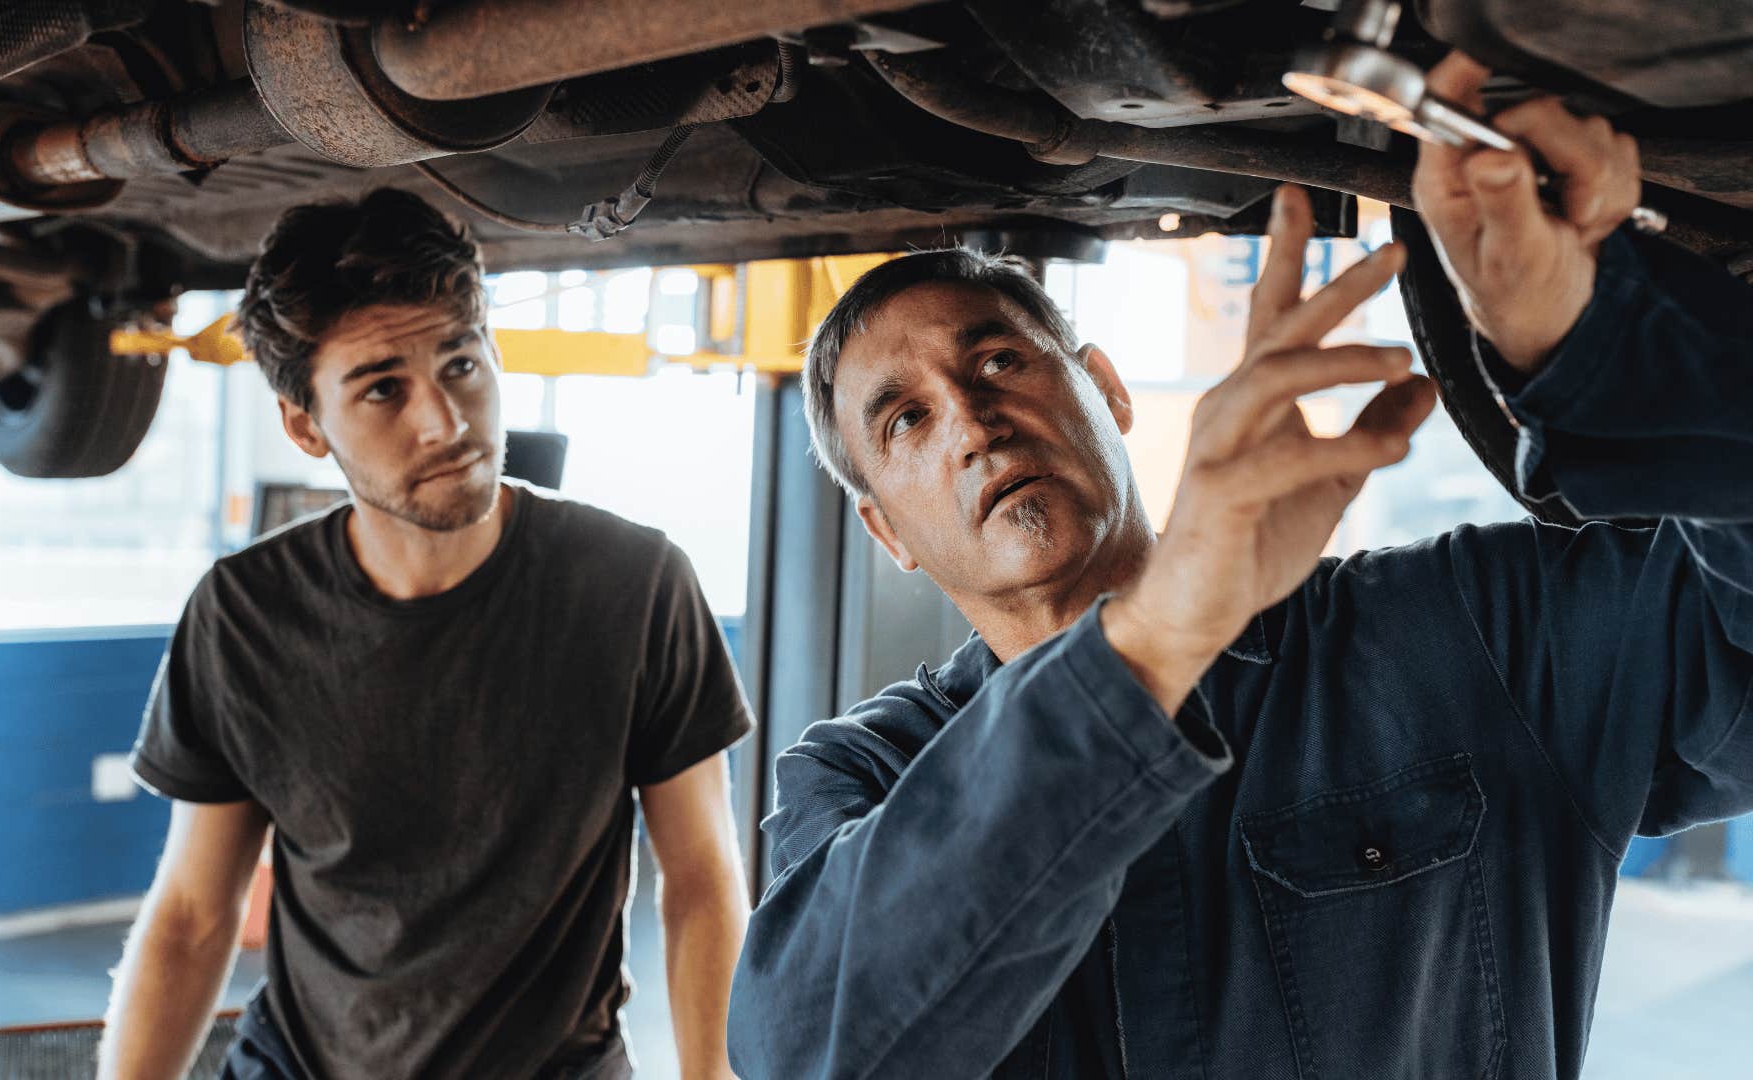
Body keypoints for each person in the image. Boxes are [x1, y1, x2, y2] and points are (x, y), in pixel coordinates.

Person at [728, 53, 1753, 1078]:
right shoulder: (864, 776)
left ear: (1109, 393)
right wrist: (1157, 636)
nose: (973, 424)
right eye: (905, 419)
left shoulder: (1464, 635)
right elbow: (810, 1050)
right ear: (886, 533)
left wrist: (1599, 347)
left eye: (999, 361)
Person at [97, 188, 755, 1080]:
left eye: (460, 365)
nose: (445, 424)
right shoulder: (245, 614)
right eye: (381, 390)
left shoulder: (633, 586)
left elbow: (704, 878)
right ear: (305, 425)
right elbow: (191, 914)